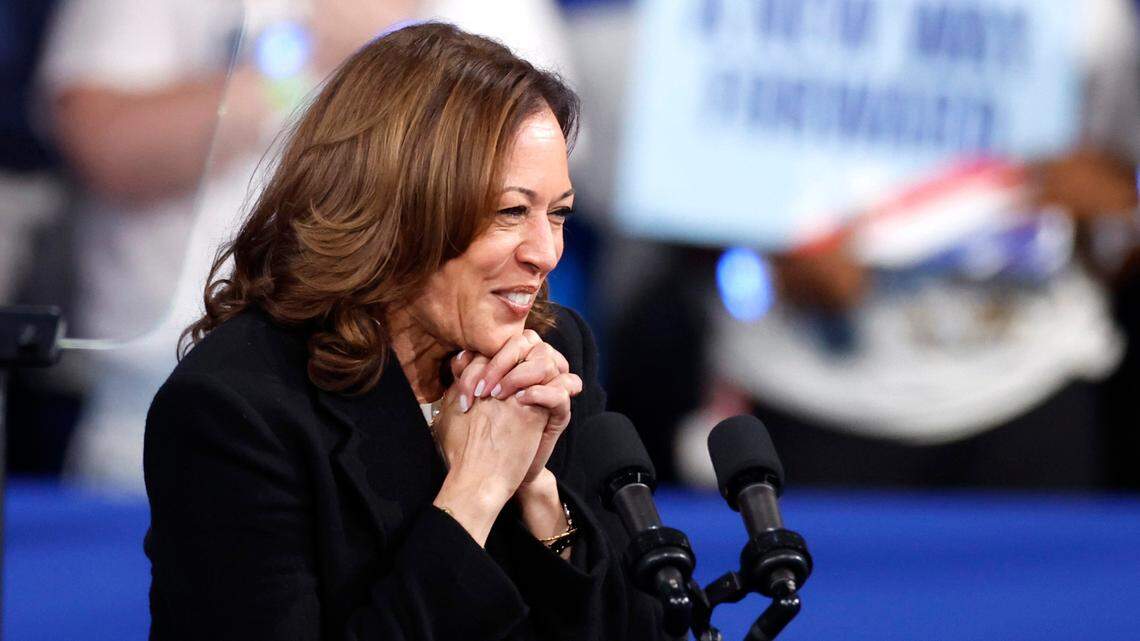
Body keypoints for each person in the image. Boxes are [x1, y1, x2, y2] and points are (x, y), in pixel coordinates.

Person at [144, 23, 665, 640]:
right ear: (399, 207)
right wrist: (473, 493)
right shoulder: (238, 408)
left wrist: (539, 499)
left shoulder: (550, 356)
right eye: (510, 212)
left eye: (557, 213)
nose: (546, 252)